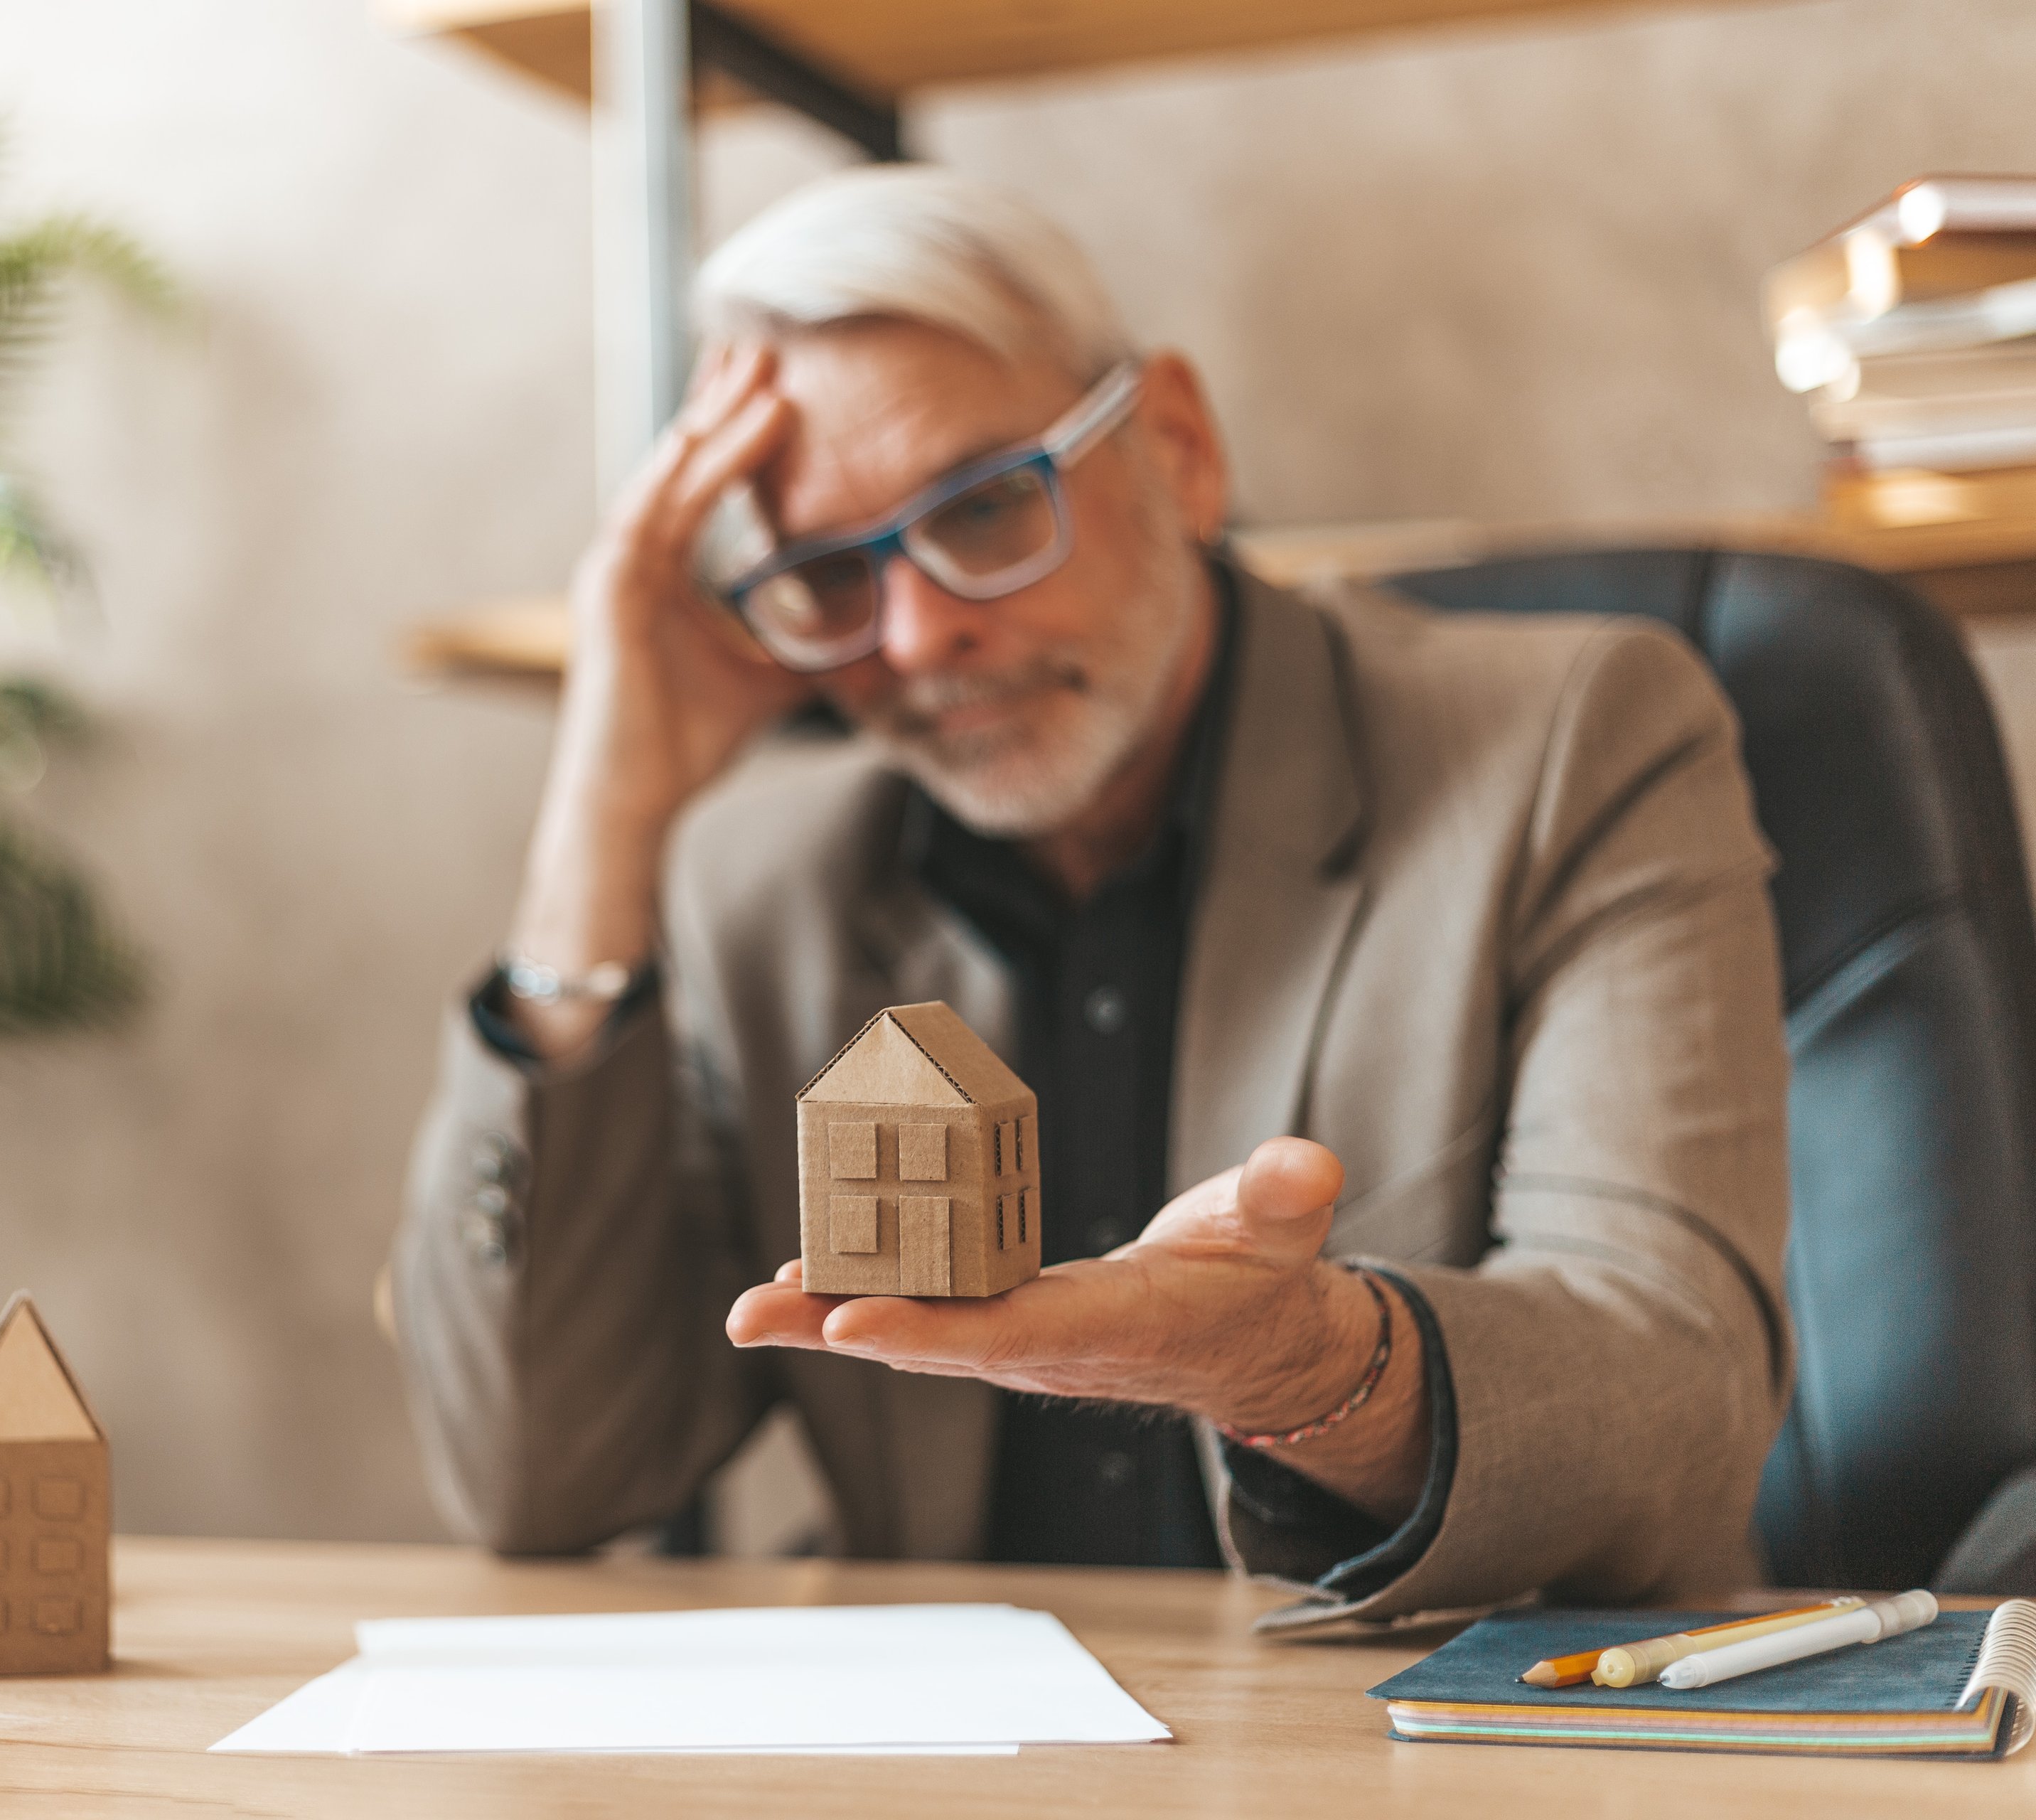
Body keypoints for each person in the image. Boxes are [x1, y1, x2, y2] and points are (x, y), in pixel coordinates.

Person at [391, 166, 1791, 1625]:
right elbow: (537, 1473)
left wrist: (1314, 1367)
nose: (921, 635)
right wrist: (600, 818)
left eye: (986, 506)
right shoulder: (767, 882)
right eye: (828, 572)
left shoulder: (1576, 740)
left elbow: (1678, 1402)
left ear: (1177, 448)